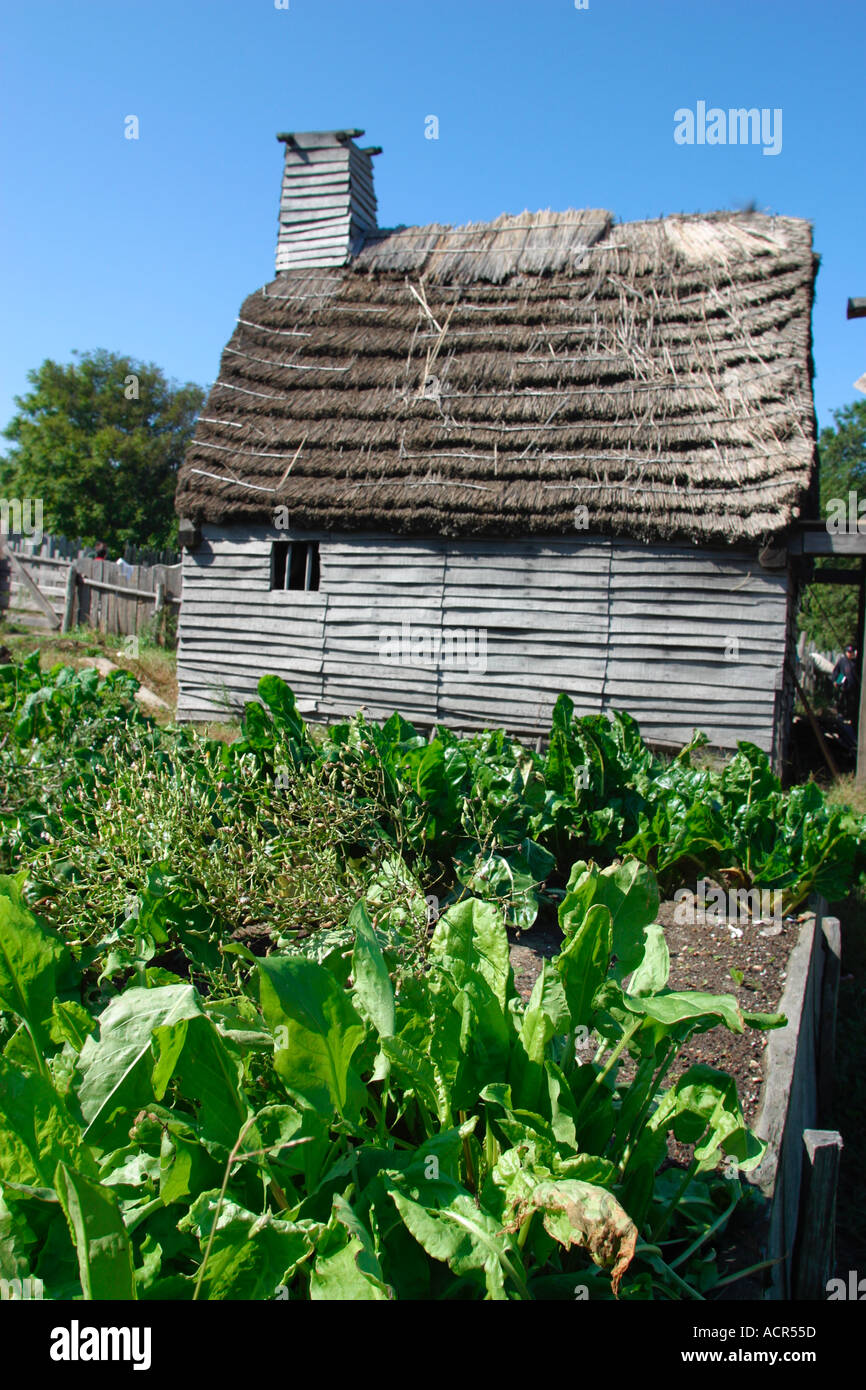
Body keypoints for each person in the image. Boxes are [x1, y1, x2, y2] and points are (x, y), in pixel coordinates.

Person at [832, 642, 859, 720]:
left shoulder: (855, 662)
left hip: (852, 685)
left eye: (851, 652)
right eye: (848, 652)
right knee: (841, 699)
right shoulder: (842, 661)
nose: (849, 654)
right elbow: (836, 671)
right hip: (843, 682)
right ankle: (841, 714)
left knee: (851, 701)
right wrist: (835, 680)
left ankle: (850, 716)